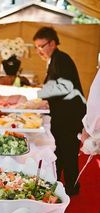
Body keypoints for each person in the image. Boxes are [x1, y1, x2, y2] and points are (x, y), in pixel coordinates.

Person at [33, 27, 86, 196]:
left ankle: (71, 188)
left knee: (68, 151)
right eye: (37, 47)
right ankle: (61, 184)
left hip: (69, 115)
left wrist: (42, 96)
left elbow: (63, 87)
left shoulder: (61, 59)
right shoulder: (55, 59)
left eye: (42, 46)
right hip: (62, 113)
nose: (39, 51)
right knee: (61, 150)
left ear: (53, 43)